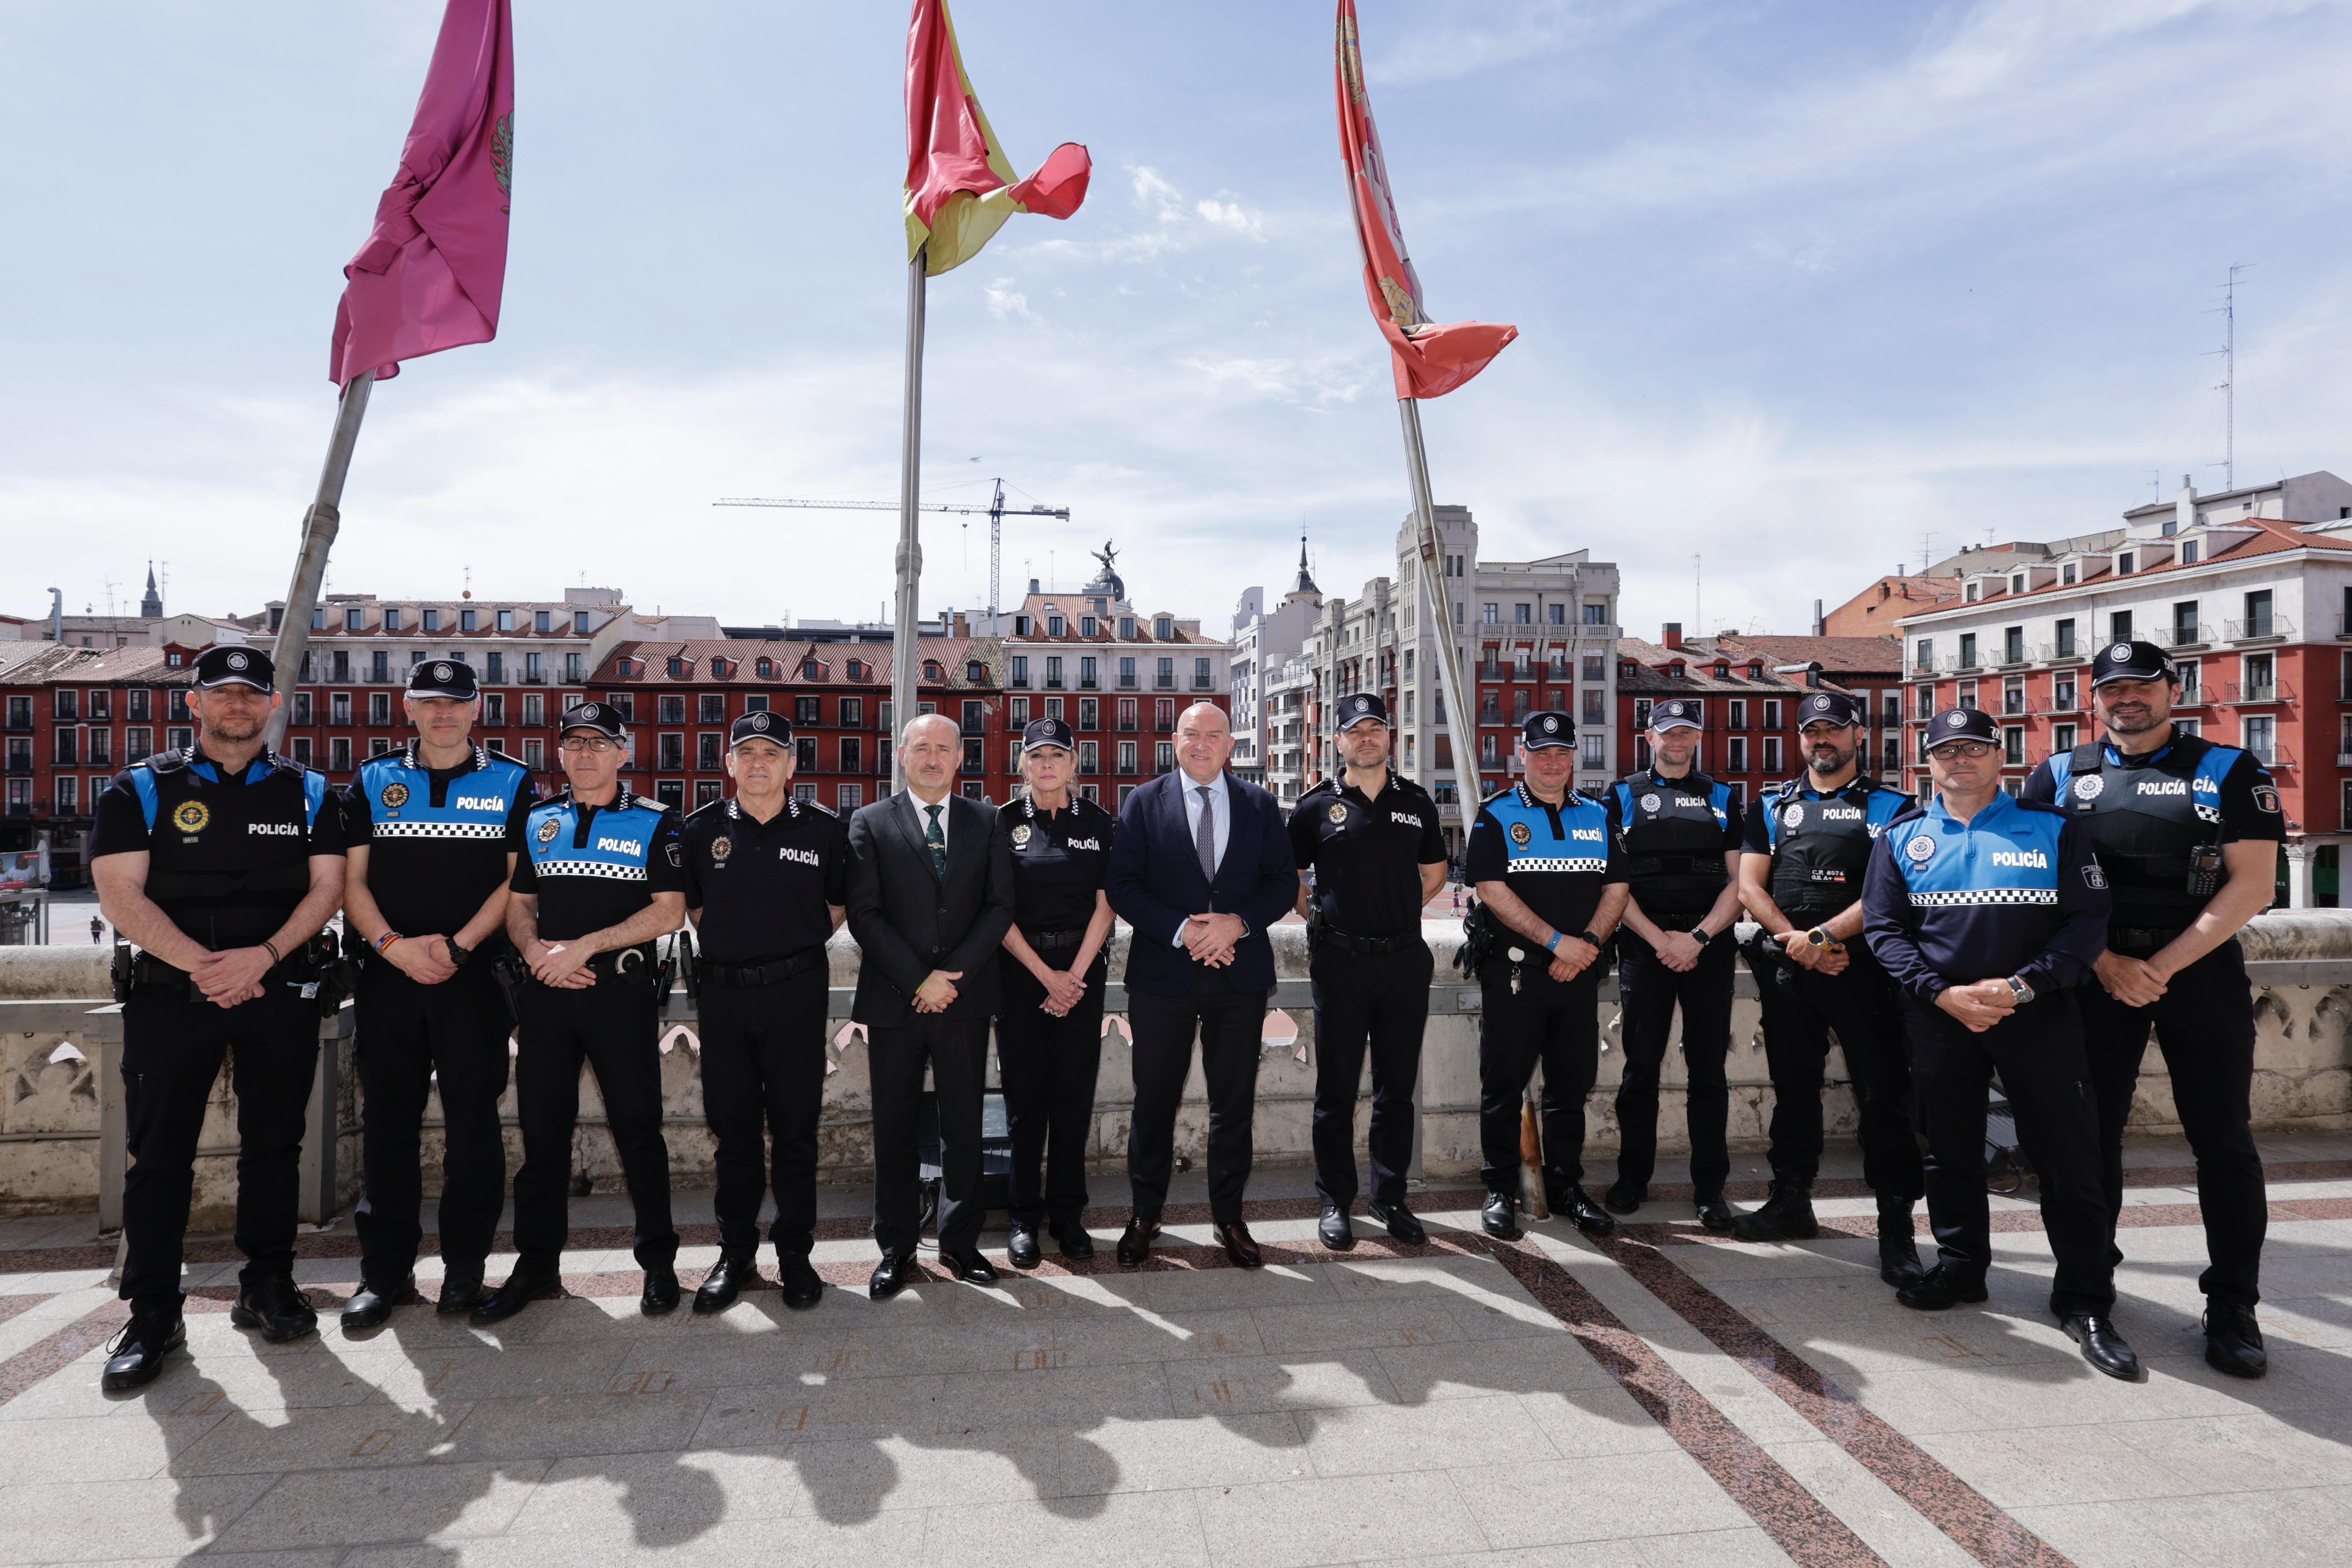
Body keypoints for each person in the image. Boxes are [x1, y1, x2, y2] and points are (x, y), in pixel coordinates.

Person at [2021, 638, 2283, 1378]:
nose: (2126, 699)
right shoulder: (2058, 775)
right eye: (2112, 689)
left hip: (2197, 973)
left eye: (2141, 685)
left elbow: (2253, 885)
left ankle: (2233, 1305)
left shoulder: (2229, 769)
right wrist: (2106, 963)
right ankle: (2085, 1294)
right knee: (2086, 1140)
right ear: (2094, 698)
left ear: (2174, 689)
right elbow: (2040, 884)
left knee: (2223, 1142)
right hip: (2094, 975)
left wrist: (2159, 967)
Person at [88, 646, 344, 1390]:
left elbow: (328, 888)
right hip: (171, 995)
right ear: (194, 702)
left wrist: (261, 957)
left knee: (275, 1147)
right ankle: (152, 1313)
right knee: (158, 1157)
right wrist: (207, 966)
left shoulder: (311, 792)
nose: (238, 704)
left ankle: (268, 1285)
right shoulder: (139, 787)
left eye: (251, 693)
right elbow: (119, 893)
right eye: (222, 692)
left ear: (272, 704)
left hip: (280, 989)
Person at [1864, 706, 2139, 1380]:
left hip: (2038, 1013)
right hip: (1940, 1017)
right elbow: (1883, 929)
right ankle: (1961, 1268)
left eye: (1973, 748)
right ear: (1928, 761)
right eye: (1946, 751)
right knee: (1948, 1153)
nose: (1959, 760)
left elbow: (2087, 921)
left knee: (2068, 1156)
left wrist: (2022, 986)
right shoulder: (1901, 837)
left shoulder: (2054, 828)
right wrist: (1940, 994)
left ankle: (2085, 1299)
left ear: (1999, 755)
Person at [473, 702, 686, 1325]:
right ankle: (537, 1267)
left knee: (639, 1133)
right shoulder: (539, 820)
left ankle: (659, 1266)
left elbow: (669, 911)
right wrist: (537, 954)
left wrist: (585, 947)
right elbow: (519, 904)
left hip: (620, 996)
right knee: (541, 1138)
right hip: (546, 995)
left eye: (599, 743)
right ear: (561, 754)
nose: (585, 754)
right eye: (574, 743)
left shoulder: (656, 821)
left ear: (623, 752)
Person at [338, 659, 535, 1328]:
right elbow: (350, 881)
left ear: (478, 708)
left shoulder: (512, 779)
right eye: (430, 702)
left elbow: (518, 881)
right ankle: (384, 1275)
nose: (443, 713)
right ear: (409, 707)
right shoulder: (372, 779)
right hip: (388, 978)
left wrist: (459, 947)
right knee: (387, 1126)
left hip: (473, 980)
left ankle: (464, 1270)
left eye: (455, 702)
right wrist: (393, 946)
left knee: (473, 1128)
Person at [1731, 689, 1925, 1284]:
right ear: (1800, 739)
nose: (1822, 739)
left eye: (1834, 729)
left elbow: (1892, 889)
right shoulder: (1771, 805)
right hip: (1791, 969)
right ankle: (1791, 1200)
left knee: (1883, 1095)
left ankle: (1896, 1227)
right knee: (1793, 1089)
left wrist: (1823, 938)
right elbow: (1750, 886)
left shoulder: (1893, 806)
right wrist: (1799, 943)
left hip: (1864, 970)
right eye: (1811, 730)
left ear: (1858, 735)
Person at [1105, 701, 1296, 1268]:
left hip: (1239, 976)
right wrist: (1184, 931)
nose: (1201, 743)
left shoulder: (1259, 804)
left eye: (1213, 734)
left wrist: (1237, 923)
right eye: (1191, 733)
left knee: (1232, 1102)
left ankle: (1228, 1217)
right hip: (1162, 977)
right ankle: (1145, 1214)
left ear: (1230, 744)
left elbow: (1282, 882)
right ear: (1175, 740)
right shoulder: (1143, 802)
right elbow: (1122, 885)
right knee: (1153, 1101)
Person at [678, 710, 848, 1313]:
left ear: (791, 764)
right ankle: (736, 1254)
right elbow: (695, 910)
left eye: (771, 753)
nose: (758, 763)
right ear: (728, 763)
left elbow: (837, 906)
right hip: (724, 998)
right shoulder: (699, 830)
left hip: (795, 994)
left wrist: (786, 947)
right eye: (746, 752)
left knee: (797, 1131)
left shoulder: (823, 830)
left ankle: (796, 1254)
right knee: (734, 1134)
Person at [845, 713, 1016, 1298]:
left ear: (960, 757)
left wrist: (952, 979)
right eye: (922, 747)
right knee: (893, 1128)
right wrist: (920, 979)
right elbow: (863, 914)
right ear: (902, 754)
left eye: (944, 748)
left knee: (963, 1126)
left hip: (963, 1002)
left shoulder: (986, 820)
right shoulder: (869, 822)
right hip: (895, 1000)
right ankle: (895, 1248)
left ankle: (960, 1243)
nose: (933, 758)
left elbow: (999, 906)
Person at [1289, 692, 1447, 1250]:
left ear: (1388, 736)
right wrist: (1321, 915)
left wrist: (1397, 909)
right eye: (1354, 730)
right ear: (1337, 741)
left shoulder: (1416, 801)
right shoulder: (1314, 806)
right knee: (1335, 1089)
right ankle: (1335, 1199)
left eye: (1374, 728)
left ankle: (1389, 1196)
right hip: (1340, 963)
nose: (1365, 738)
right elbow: (1288, 875)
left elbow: (1435, 873)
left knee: (1395, 1090)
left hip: (1403, 960)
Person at [1465, 711, 1630, 1240]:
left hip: (1578, 973)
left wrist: (1586, 945)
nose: (1552, 762)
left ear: (1573, 757)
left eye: (1561, 753)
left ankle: (1564, 1186)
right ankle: (1498, 1187)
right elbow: (1490, 889)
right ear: (1523, 755)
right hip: (1515, 975)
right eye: (1541, 753)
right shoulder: (1496, 814)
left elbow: (1617, 889)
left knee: (1569, 1086)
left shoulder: (1598, 815)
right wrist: (1557, 942)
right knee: (1502, 1086)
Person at [1601, 697, 1745, 1228]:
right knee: (1639, 1068)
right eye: (1668, 732)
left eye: (1686, 732)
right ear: (1650, 738)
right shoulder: (1620, 796)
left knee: (1708, 1071)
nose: (1676, 741)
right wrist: (1658, 939)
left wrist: (1697, 937)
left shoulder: (1723, 796)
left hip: (1708, 945)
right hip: (1645, 944)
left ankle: (1709, 1188)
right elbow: (1612, 881)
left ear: (1697, 738)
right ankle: (1631, 1178)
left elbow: (1741, 882)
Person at [995, 716, 1117, 1268]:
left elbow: (1106, 906)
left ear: (1073, 764)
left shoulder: (1097, 822)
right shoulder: (1001, 823)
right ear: (1023, 764)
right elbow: (995, 909)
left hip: (1081, 972)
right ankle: (1023, 1217)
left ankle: (1067, 1216)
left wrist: (1072, 977)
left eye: (1057, 755)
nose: (1047, 764)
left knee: (1072, 1099)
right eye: (1037, 756)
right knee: (1024, 1103)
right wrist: (1046, 975)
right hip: (1020, 973)